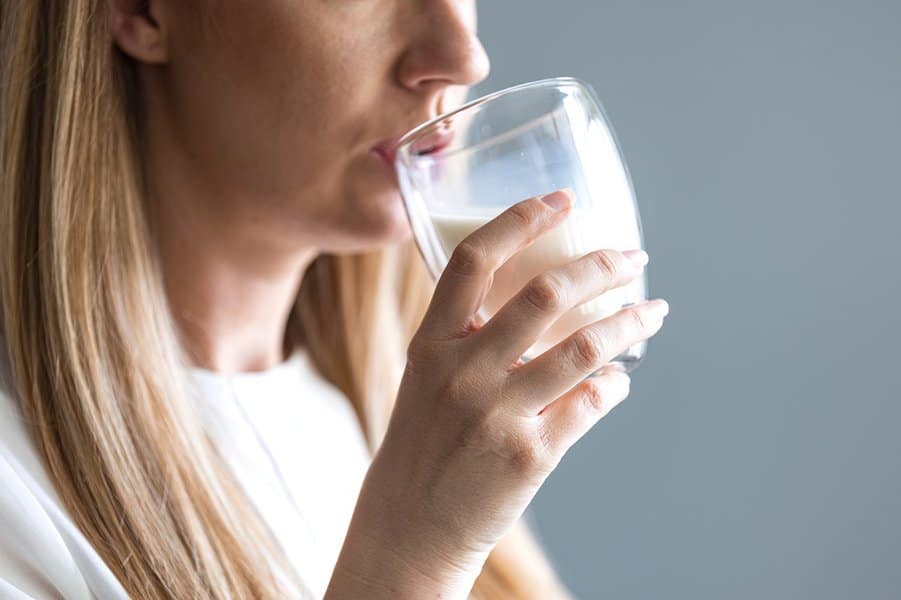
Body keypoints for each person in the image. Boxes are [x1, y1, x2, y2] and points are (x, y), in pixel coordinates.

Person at [0, 1, 669, 598]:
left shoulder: (400, 425)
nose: (463, 56)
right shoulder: (19, 497)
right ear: (142, 11)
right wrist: (413, 562)